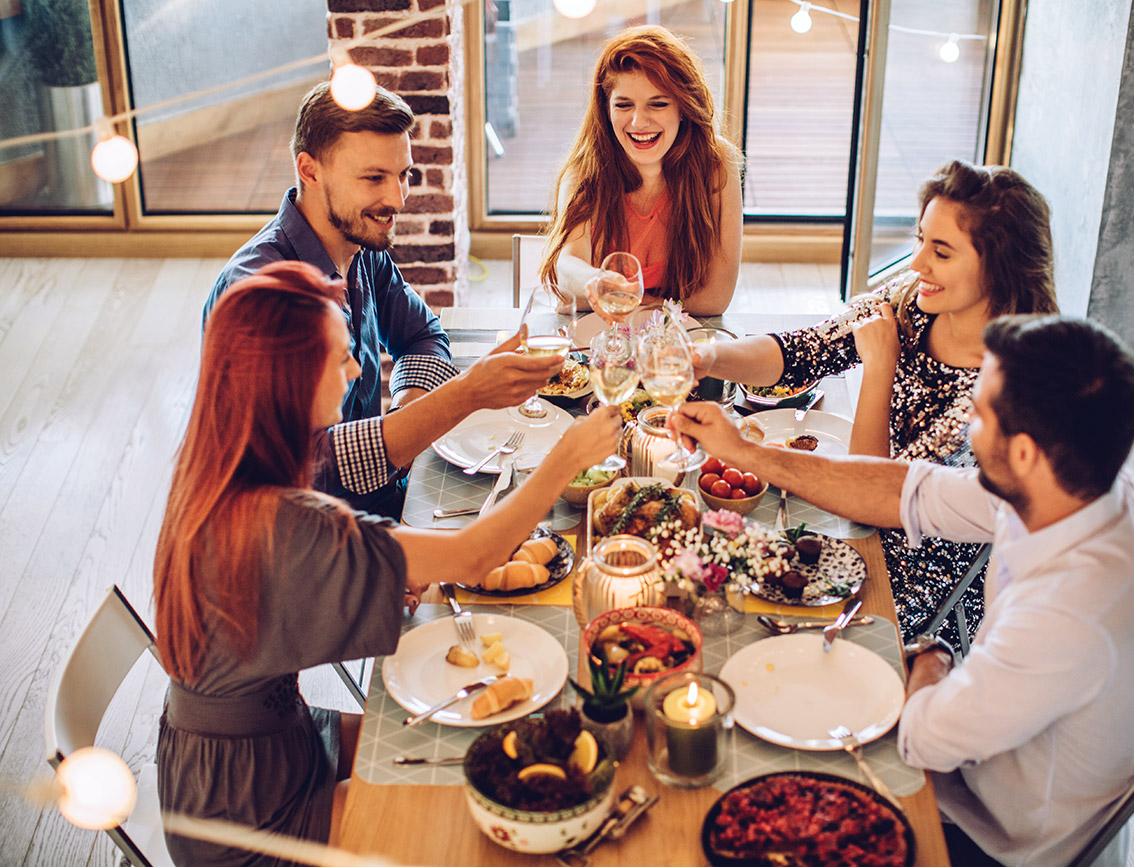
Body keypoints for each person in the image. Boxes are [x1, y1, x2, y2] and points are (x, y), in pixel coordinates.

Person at [155, 262, 622, 866]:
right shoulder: (280, 526)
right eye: (343, 358)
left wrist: (372, 573)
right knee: (467, 820)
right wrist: (565, 458)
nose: (356, 372)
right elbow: (475, 556)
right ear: (289, 378)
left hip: (248, 753)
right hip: (246, 819)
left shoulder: (221, 463)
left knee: (470, 744)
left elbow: (291, 594)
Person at [675, 314, 1134, 867]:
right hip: (987, 762)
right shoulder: (1078, 486)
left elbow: (923, 739)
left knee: (738, 776)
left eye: (979, 413)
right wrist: (747, 453)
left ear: (1025, 453)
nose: (968, 426)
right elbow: (906, 490)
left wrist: (934, 654)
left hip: (992, 837)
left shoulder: (1071, 614)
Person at [693, 160, 1059, 645]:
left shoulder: (999, 387)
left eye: (941, 252)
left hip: (914, 576)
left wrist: (879, 368)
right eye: (920, 239)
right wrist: (707, 355)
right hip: (852, 513)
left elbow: (875, 499)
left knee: (739, 612)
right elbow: (802, 351)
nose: (916, 264)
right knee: (708, 563)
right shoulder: (915, 298)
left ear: (1000, 264)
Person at [205, 81, 560, 519]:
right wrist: (461, 397)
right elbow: (307, 467)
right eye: (374, 177)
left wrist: (410, 413)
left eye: (404, 175)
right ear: (310, 171)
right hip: (303, 544)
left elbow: (421, 335)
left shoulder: (358, 247)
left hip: (381, 501)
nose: (397, 200)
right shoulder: (263, 295)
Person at [539, 24, 743, 316]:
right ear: (606, 109)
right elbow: (567, 265)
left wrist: (629, 301)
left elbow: (715, 299)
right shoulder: (584, 171)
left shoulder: (718, 163)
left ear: (683, 108)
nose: (638, 122)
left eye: (657, 104)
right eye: (623, 105)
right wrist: (596, 281)